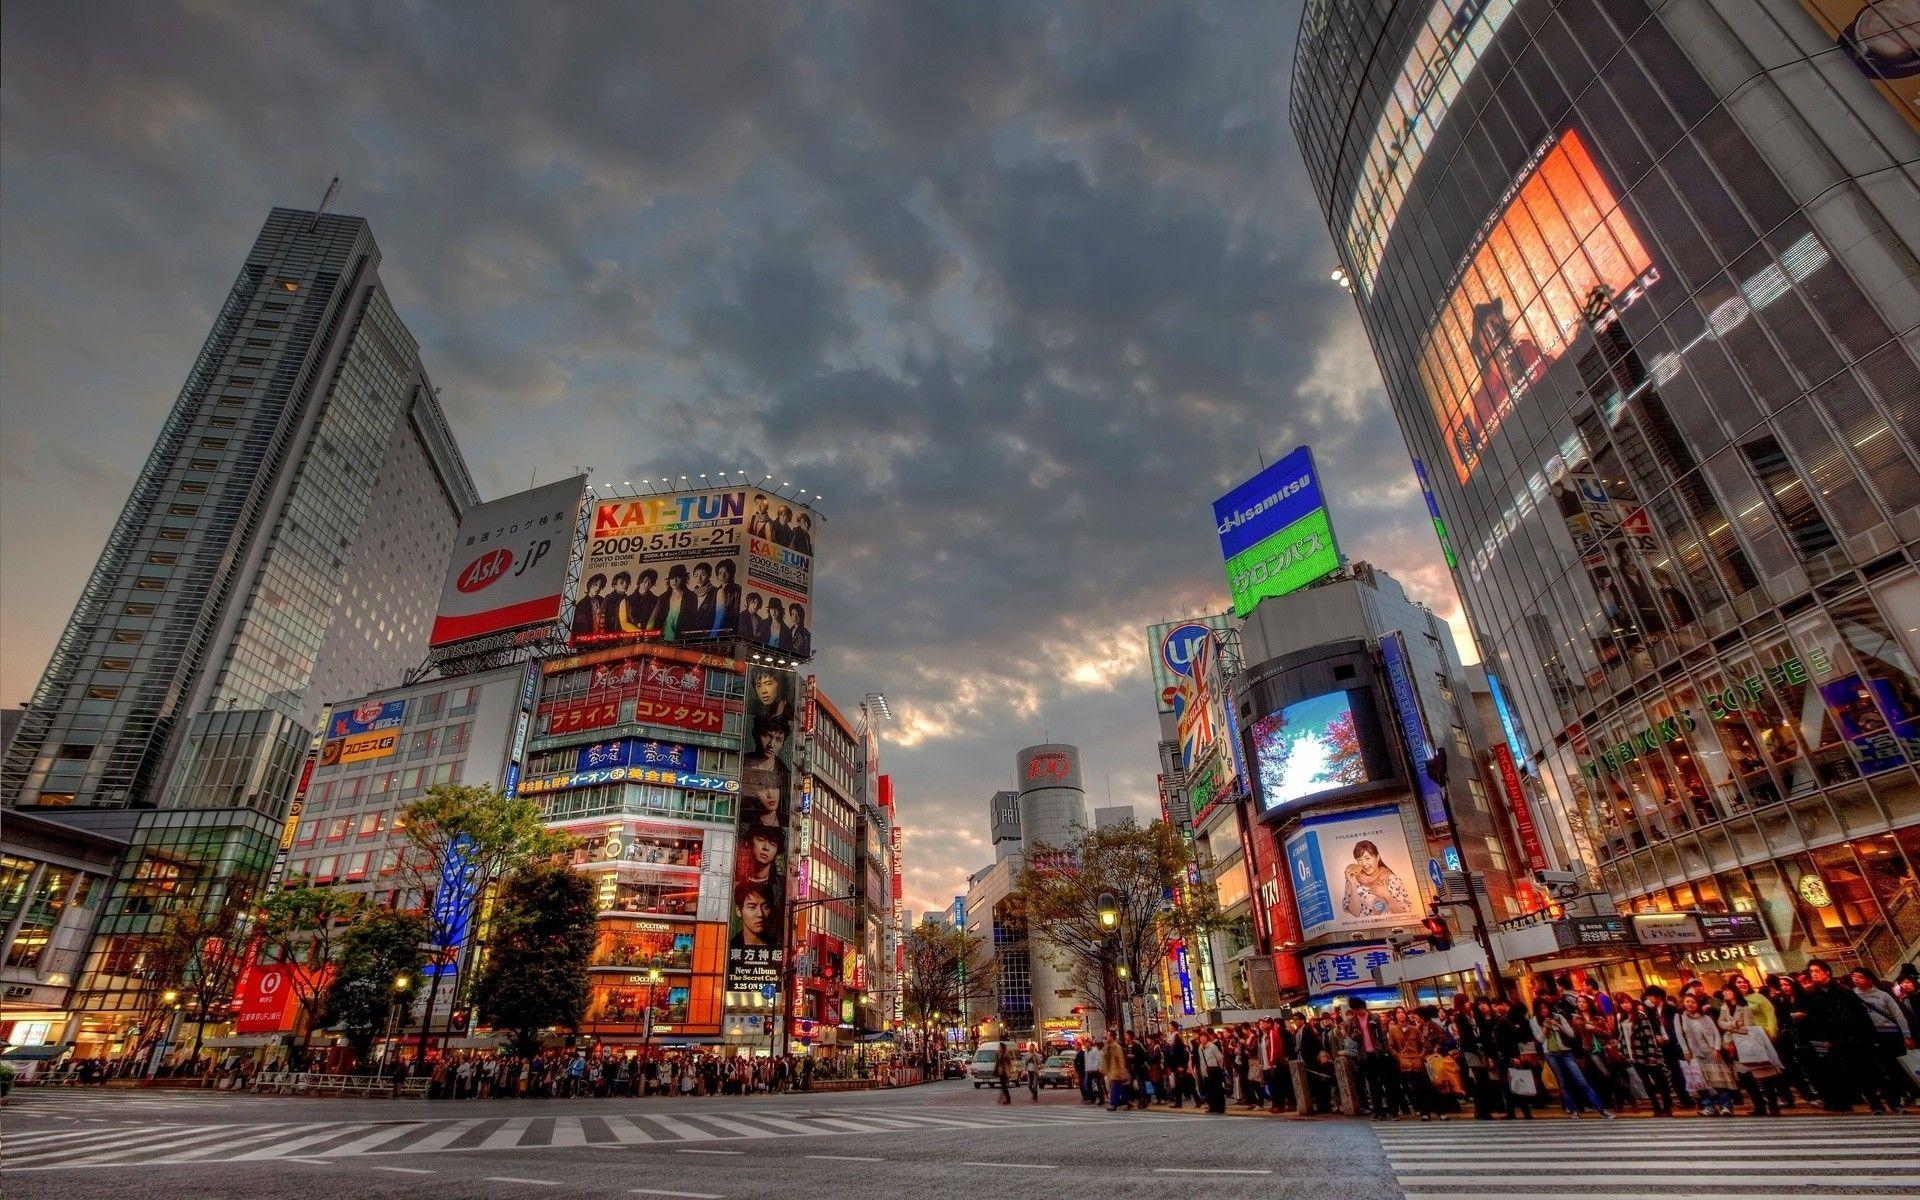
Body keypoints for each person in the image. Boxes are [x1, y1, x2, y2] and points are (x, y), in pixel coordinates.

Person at [1798, 958, 1880, 1111]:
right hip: (1830, 1040)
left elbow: (1860, 1015)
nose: (1814, 975)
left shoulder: (1843, 991)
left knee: (1861, 1070)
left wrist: (1868, 1036)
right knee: (1840, 1071)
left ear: (1827, 972)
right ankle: (1843, 1103)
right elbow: (1813, 1019)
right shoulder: (1811, 995)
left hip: (1853, 1037)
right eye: (1811, 972)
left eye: (1816, 971)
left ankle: (1875, 1103)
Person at [1532, 996, 1612, 1118]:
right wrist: (1545, 1027)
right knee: (1562, 1083)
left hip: (1565, 1052)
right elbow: (1539, 1040)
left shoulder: (1558, 1016)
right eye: (1541, 1008)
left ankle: (1601, 1109)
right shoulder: (1534, 1021)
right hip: (1551, 1054)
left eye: (1545, 1007)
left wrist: (1558, 1025)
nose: (1544, 1010)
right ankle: (1573, 1110)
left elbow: (1571, 1034)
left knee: (1581, 1080)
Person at [1849, 966, 1916, 1112]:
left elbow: (1898, 1015)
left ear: (1869, 979)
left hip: (1889, 1036)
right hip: (1866, 1037)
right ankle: (1877, 1105)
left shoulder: (1882, 995)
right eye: (1854, 976)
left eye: (1859, 976)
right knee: (1874, 1071)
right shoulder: (1851, 996)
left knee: (1893, 1070)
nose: (1856, 979)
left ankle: (1896, 1102)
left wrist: (1906, 1035)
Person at [1718, 984, 1784, 1116]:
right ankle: (1759, 1106)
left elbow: (1747, 1026)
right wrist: (1735, 1025)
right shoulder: (1724, 1008)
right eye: (1723, 991)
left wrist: (1731, 1027)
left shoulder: (1745, 1008)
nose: (1725, 993)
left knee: (1764, 1075)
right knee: (1745, 1077)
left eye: (1727, 990)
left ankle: (1773, 1105)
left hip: (1749, 1043)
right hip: (1734, 1044)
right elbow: (1720, 1023)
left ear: (1734, 992)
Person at [1674, 990, 1738, 1115]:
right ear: (1683, 1003)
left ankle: (1725, 1105)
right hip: (1694, 1054)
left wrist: (1716, 1049)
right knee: (1700, 1081)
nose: (1690, 1004)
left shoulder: (1706, 1018)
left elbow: (1716, 1034)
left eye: (1693, 1002)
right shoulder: (1680, 1018)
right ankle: (1708, 1106)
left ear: (1697, 1004)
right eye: (1687, 1002)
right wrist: (1685, 1051)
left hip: (1711, 1052)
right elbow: (1679, 1035)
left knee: (1719, 1080)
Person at [1616, 994, 1675, 1116]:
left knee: (1660, 1080)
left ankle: (1667, 1106)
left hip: (1646, 1054)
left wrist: (1651, 1053)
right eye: (1622, 1003)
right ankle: (1656, 1107)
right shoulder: (1622, 1018)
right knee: (1646, 1082)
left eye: (1627, 1002)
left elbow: (1649, 1036)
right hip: (1633, 1056)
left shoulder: (1640, 1016)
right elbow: (1622, 1038)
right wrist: (1623, 1052)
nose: (1625, 1005)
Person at [1340, 840, 1412, 918]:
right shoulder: (1353, 879)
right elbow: (1355, 913)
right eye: (1359, 860)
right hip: (1367, 928)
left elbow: (1406, 913)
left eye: (1367, 858)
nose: (1364, 863)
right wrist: (1353, 884)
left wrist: (1387, 896)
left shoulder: (1392, 879)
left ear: (1377, 858)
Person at [730, 884, 775, 949]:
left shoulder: (780, 945)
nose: (760, 914)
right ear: (738, 911)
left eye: (765, 907)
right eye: (752, 907)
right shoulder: (730, 947)